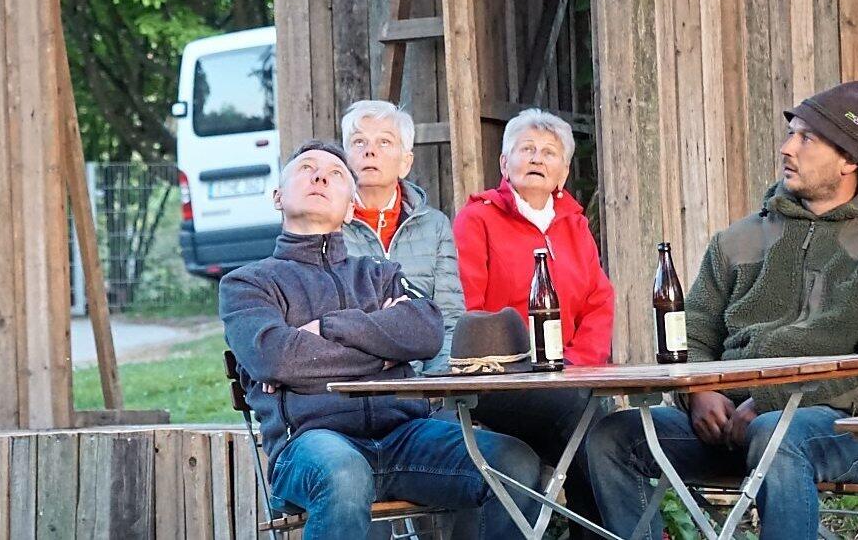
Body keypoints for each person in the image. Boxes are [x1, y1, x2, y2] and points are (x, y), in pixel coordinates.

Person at [586, 81, 858, 539]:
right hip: (724, 422)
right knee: (613, 437)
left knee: (776, 435)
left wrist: (774, 402)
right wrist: (699, 391)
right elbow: (691, 335)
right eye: (791, 133)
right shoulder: (736, 240)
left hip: (845, 429)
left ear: (849, 161)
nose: (787, 147)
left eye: (807, 138)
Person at [220, 139, 542, 538]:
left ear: (351, 208)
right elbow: (275, 358)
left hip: (406, 435)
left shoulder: (380, 273)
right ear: (278, 197)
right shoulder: (247, 283)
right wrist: (384, 352)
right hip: (311, 443)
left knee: (513, 462)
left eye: (335, 174)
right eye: (306, 169)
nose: (320, 177)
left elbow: (426, 330)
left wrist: (327, 328)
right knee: (344, 472)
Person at [452, 107, 613, 537]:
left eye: (549, 152)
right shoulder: (477, 220)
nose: (537, 158)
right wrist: (517, 364)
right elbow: (469, 307)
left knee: (606, 424)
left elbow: (599, 300)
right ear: (505, 163)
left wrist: (576, 364)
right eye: (526, 149)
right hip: (499, 380)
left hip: (567, 377)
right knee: (586, 417)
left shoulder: (575, 226)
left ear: (563, 172)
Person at [340, 100, 463, 373]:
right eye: (359, 142)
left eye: (384, 142)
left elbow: (449, 321)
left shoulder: (435, 226)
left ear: (405, 163)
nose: (370, 151)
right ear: (344, 158)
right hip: (356, 381)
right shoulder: (329, 226)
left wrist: (432, 383)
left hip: (427, 382)